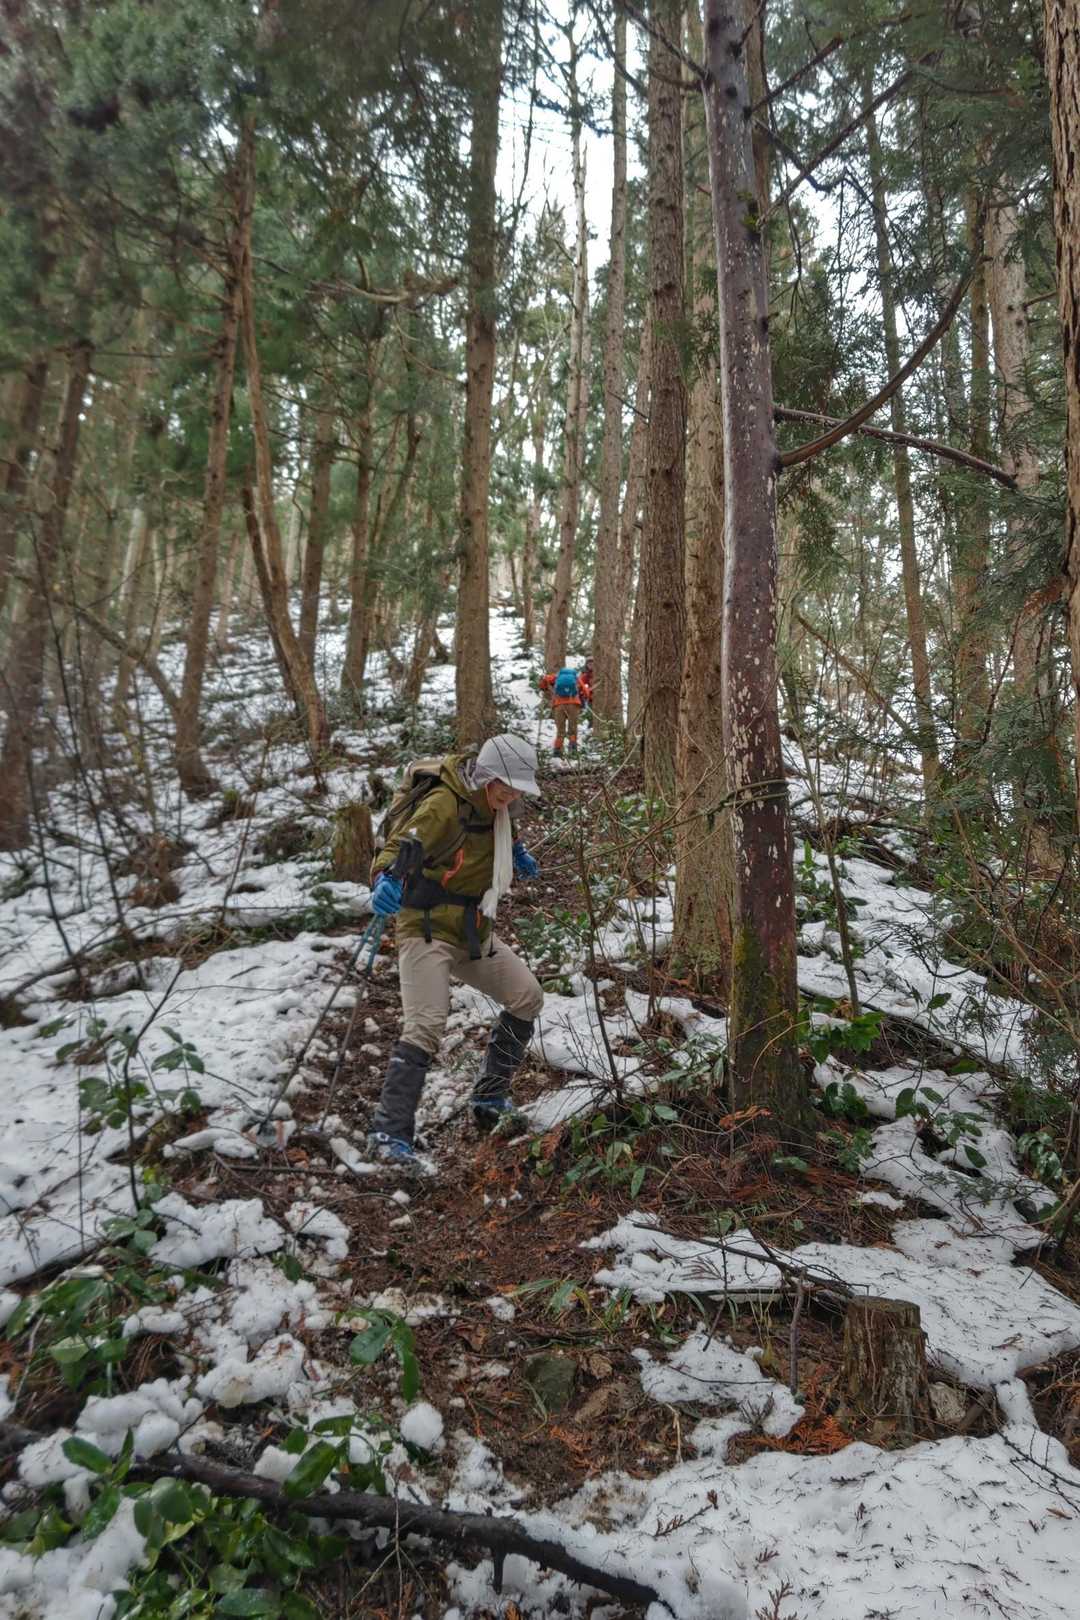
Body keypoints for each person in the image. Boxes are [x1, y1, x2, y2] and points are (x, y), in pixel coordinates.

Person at [366, 733, 544, 1166]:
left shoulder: (501, 808)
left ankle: (489, 1098)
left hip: (473, 930)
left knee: (527, 996)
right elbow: (396, 849)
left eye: (518, 789)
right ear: (487, 776)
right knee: (426, 1025)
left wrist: (517, 854)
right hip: (427, 927)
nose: (512, 795)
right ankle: (388, 1134)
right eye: (507, 786)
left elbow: (503, 837)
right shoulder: (444, 804)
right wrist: (384, 880)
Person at [539, 662, 585, 756]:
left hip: (559, 705)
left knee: (560, 730)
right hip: (573, 705)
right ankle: (573, 750)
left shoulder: (556, 677)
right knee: (573, 729)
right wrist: (583, 696)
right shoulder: (576, 678)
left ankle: (557, 751)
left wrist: (545, 688)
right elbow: (585, 690)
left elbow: (543, 682)